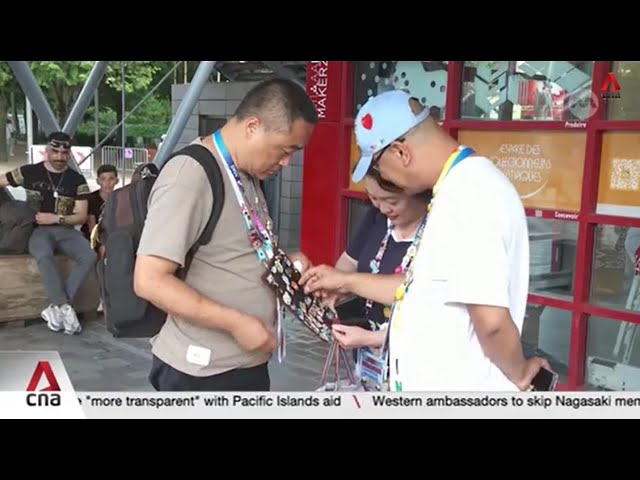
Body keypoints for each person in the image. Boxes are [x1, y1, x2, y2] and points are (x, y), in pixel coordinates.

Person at [301, 89, 551, 392]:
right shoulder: (453, 191)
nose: (386, 181)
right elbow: (420, 287)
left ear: (400, 152)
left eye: (380, 169)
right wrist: (343, 281)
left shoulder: (474, 192)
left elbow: (492, 321)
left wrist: (521, 372)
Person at [133, 78, 317, 392]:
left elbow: (233, 252)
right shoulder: (190, 175)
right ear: (253, 127)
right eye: (286, 150)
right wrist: (236, 323)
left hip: (242, 364)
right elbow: (149, 280)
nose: (286, 162)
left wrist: (287, 263)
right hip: (201, 372)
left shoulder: (246, 174)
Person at [332, 169, 431, 389]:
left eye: (391, 200)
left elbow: (427, 306)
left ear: (416, 191)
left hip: (415, 369)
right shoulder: (376, 218)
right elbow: (348, 263)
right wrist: (335, 293)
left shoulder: (438, 230)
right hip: (369, 362)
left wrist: (371, 338)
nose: (383, 208)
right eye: (374, 198)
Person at [0, 131, 96, 334]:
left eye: (64, 152)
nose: (59, 157)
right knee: (44, 255)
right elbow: (2, 181)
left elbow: (81, 215)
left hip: (66, 230)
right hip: (37, 230)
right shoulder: (29, 171)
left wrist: (56, 218)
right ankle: (63, 307)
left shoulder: (76, 180)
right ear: (46, 151)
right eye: (55, 151)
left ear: (69, 154)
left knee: (89, 255)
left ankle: (58, 306)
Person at [81, 164, 119, 243]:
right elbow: (92, 226)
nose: (107, 183)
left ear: (117, 181)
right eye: (103, 179)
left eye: (111, 179)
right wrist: (100, 244)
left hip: (113, 235)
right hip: (92, 236)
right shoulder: (91, 199)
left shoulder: (120, 198)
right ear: (98, 181)